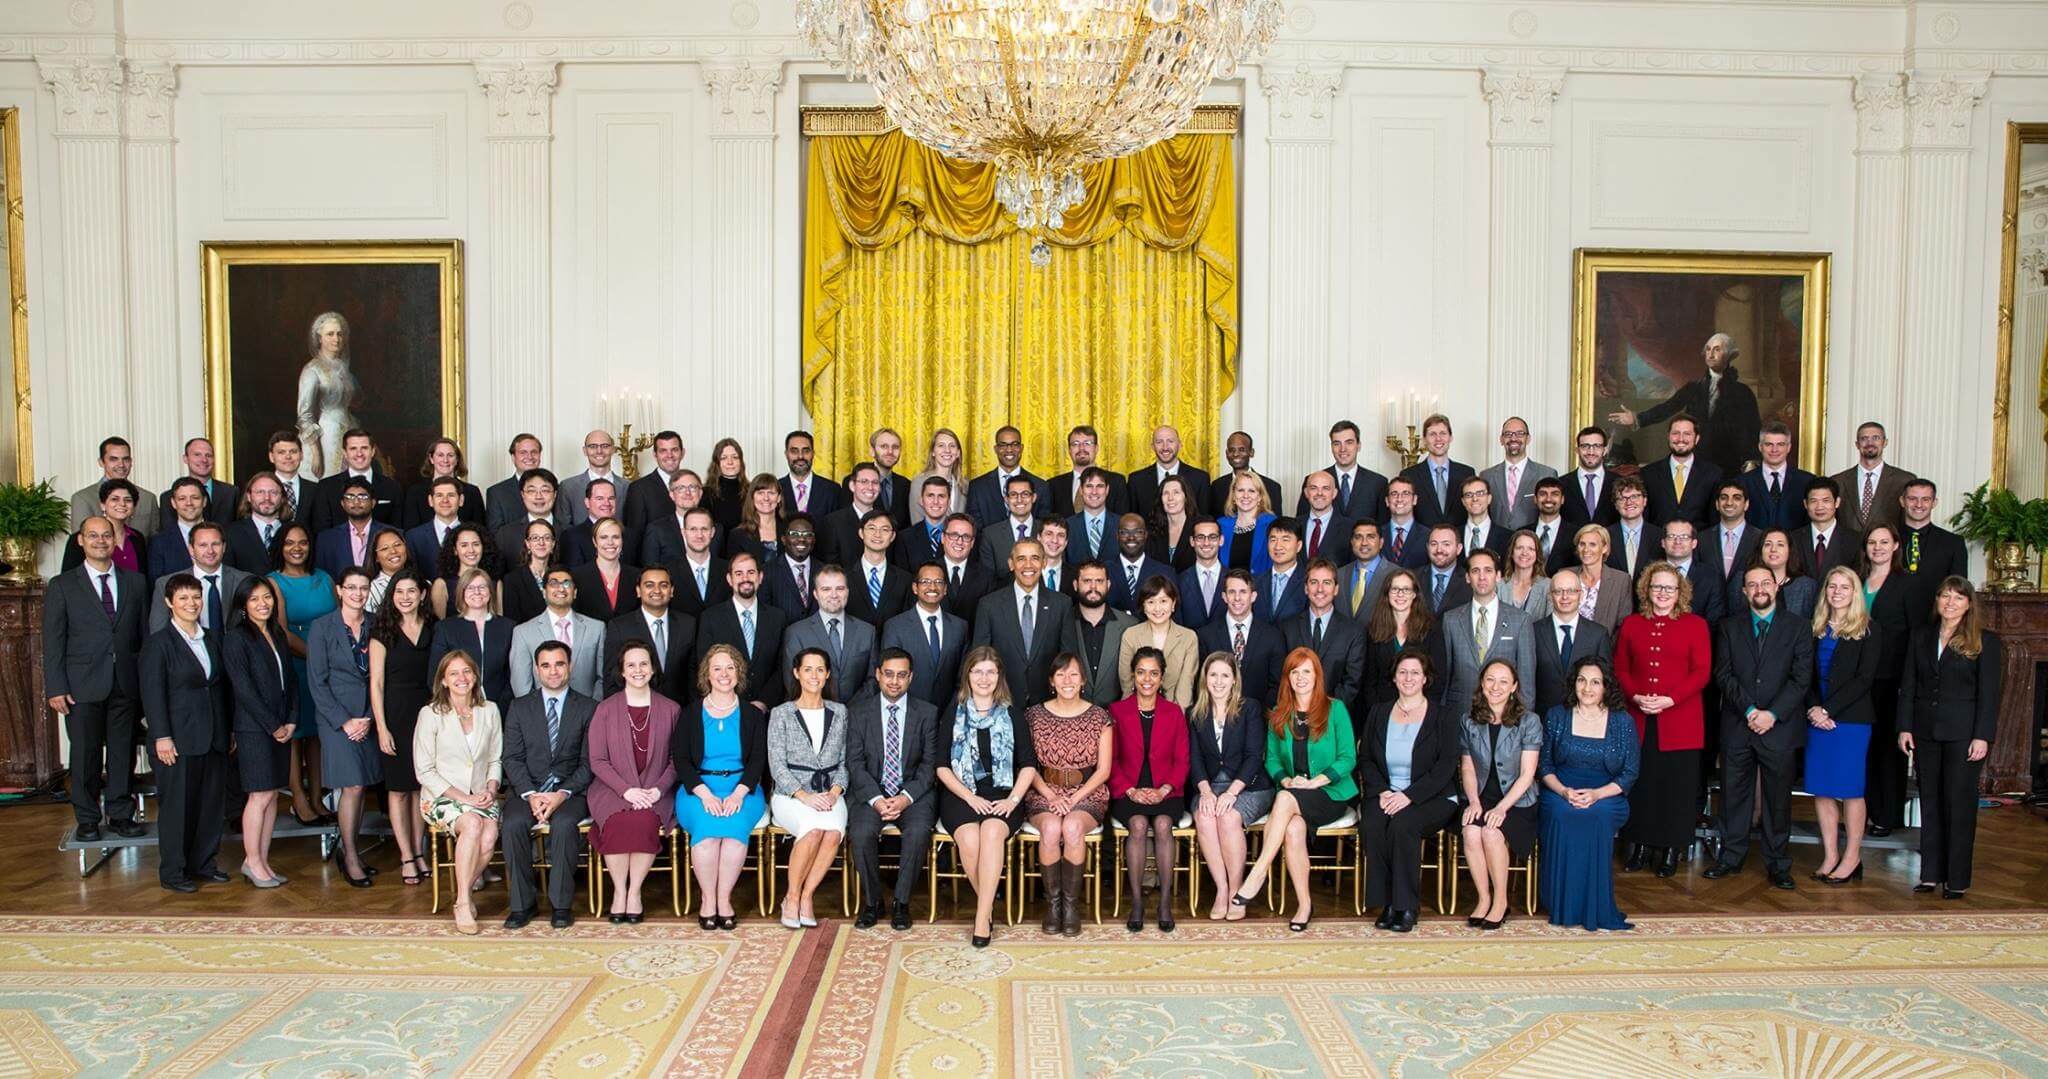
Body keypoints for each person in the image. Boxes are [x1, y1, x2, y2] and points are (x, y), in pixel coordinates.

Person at [1231, 648, 1358, 932]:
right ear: (1287, 677)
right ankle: (1304, 905)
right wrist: (1286, 780)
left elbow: (1348, 757)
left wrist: (1314, 782)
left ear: (1317, 676)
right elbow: (1272, 759)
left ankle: (1259, 871)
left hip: (1330, 794)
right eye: (1295, 672)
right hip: (1294, 794)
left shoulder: (1335, 708)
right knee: (1293, 829)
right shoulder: (1279, 714)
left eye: (1307, 671)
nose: (1301, 678)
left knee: (1285, 799)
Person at [1703, 568, 1814, 891]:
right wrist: (1751, 710)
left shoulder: (1798, 627)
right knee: (1734, 797)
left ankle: (1778, 863)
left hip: (1779, 728)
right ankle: (1731, 857)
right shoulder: (1728, 627)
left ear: (1777, 587)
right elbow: (1723, 674)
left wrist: (1773, 714)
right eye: (1752, 585)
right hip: (1739, 724)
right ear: (1744, 591)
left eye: (1765, 583)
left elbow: (1801, 678)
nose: (1759, 589)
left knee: (1778, 801)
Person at [43, 515, 148, 842]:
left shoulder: (136, 582)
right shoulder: (62, 585)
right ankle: (87, 818)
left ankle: (120, 814)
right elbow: (53, 640)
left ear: (114, 541)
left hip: (126, 682)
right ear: (81, 541)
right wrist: (56, 686)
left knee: (122, 753)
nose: (101, 541)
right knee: (85, 754)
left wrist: (145, 685)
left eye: (106, 536)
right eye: (93, 536)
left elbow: (143, 638)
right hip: (81, 684)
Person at [1899, 576, 2001, 899]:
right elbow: (1909, 686)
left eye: (1958, 598)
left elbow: (1989, 696)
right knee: (1929, 801)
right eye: (1945, 596)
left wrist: (1982, 736)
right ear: (1937, 601)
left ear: (1969, 604)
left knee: (1958, 803)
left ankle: (1956, 880)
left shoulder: (1985, 641)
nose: (1950, 603)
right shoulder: (1921, 637)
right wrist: (1905, 726)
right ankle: (1930, 874)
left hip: (1964, 735)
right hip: (1925, 731)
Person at [936, 646, 1041, 947]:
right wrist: (969, 797)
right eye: (978, 671)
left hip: (1004, 795)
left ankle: (982, 918)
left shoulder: (1011, 714)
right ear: (967, 675)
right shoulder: (953, 712)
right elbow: (942, 766)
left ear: (999, 677)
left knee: (992, 831)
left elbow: (1028, 764)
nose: (984, 678)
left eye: (990, 672)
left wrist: (1013, 800)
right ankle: (988, 906)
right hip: (962, 796)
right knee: (969, 840)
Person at [1612, 563, 1712, 877]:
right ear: (1647, 590)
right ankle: (1638, 846)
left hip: (1679, 720)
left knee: (1675, 789)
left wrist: (1671, 699)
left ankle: (1670, 850)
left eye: (1669, 588)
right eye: (1657, 587)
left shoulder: (1696, 625)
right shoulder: (1631, 624)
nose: (1662, 593)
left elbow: (1702, 672)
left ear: (1679, 592)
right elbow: (1620, 669)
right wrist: (1636, 696)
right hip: (1639, 719)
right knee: (1641, 786)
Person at [139, 572, 232, 893]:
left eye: (196, 597)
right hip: (176, 739)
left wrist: (228, 731)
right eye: (183, 598)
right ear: (169, 603)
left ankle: (203, 864)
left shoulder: (210, 638)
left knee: (209, 805)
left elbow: (219, 689)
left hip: (213, 737)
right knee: (177, 808)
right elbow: (152, 694)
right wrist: (161, 736)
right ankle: (174, 872)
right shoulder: (158, 644)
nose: (191, 603)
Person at [1358, 650, 1462, 933]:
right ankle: (1387, 903)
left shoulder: (1443, 716)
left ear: (1425, 678)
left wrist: (1409, 796)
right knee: (1372, 823)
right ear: (1393, 677)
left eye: (1415, 673)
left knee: (1403, 825)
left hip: (1432, 796)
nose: (1408, 678)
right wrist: (1380, 791)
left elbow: (1446, 766)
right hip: (1387, 793)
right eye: (1402, 672)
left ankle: (1406, 906)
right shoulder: (1379, 712)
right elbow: (1365, 758)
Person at [1537, 655, 1640, 931]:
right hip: (1560, 791)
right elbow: (1544, 765)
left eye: (1596, 682)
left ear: (1606, 686)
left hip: (1606, 795)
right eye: (1582, 680)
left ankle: (1595, 906)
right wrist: (1563, 791)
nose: (1588, 688)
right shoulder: (1557, 715)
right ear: (1574, 684)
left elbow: (1629, 773)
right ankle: (1562, 905)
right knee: (1562, 814)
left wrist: (1596, 795)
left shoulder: (1622, 721)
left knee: (1596, 816)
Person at [500, 640, 596, 930]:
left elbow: (589, 762)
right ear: (536, 669)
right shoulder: (519, 707)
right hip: (527, 789)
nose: (553, 671)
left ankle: (561, 905)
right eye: (546, 665)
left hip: (571, 792)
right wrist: (531, 795)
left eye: (559, 664)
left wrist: (561, 794)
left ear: (571, 667)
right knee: (513, 823)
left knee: (565, 825)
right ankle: (522, 904)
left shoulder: (589, 707)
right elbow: (512, 758)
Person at [673, 645, 769, 930]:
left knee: (733, 833)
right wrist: (704, 794)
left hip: (743, 788)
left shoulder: (751, 715)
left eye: (730, 667)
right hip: (698, 789)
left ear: (738, 673)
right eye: (717, 668)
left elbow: (758, 760)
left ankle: (724, 900)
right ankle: (707, 900)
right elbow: (681, 759)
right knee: (707, 834)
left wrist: (739, 793)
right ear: (707, 674)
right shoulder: (690, 714)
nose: (724, 674)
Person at [846, 649, 941, 931]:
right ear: (878, 675)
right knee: (860, 833)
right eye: (889, 674)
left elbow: (929, 765)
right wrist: (876, 799)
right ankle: (873, 902)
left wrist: (904, 798)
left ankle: (901, 903)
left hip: (913, 794)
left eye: (901, 675)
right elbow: (855, 762)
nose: (895, 681)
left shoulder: (927, 712)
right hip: (871, 793)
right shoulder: (858, 712)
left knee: (918, 831)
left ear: (911, 678)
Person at [1019, 652, 1112, 935]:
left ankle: (1071, 906)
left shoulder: (1100, 717)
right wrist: (1051, 796)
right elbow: (1027, 765)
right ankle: (1053, 905)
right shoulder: (1033, 715)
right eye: (1060, 674)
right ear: (1051, 681)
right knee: (1050, 828)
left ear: (1083, 680)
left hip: (1087, 792)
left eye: (1073, 674)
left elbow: (1104, 770)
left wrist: (1074, 798)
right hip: (1043, 790)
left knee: (1071, 827)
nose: (1067, 680)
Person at [588, 640, 680, 924]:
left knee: (644, 822)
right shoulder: (605, 709)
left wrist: (656, 790)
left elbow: (676, 761)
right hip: (613, 790)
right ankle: (619, 891)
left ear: (653, 669)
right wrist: (626, 790)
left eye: (644, 664)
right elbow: (598, 760)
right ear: (622, 671)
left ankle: (635, 892)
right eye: (631, 665)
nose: (638, 670)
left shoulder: (671, 709)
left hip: (656, 790)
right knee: (618, 822)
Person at [412, 650, 503, 934]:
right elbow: (424, 771)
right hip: (441, 798)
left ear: (475, 676)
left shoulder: (490, 710)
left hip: (481, 794)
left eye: (466, 672)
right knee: (473, 824)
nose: (461, 678)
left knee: (490, 835)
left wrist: (491, 787)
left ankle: (464, 891)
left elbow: (495, 760)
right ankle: (463, 901)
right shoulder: (430, 715)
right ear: (443, 681)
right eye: (454, 673)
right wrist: (464, 799)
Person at [1805, 566, 1881, 885]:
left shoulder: (1868, 629)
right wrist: (1813, 708)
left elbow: (1864, 680)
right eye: (1832, 586)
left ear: (1855, 593)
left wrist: (1827, 709)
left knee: (1850, 791)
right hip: (1817, 720)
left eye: (1844, 587)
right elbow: (1804, 674)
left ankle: (1852, 856)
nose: (1837, 591)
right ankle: (1831, 854)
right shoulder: (1815, 627)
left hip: (1850, 721)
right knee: (1822, 791)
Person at [308, 567, 382, 886]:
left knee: (361, 784)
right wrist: (345, 721)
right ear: (339, 590)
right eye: (351, 587)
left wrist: (368, 717)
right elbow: (317, 682)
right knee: (350, 785)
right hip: (336, 720)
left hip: (369, 715)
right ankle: (349, 855)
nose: (358, 593)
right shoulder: (322, 627)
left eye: (363, 588)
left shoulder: (376, 624)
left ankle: (352, 851)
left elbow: (379, 677)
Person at [1110, 647, 1191, 933]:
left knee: (1163, 823)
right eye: (1141, 672)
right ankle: (1136, 902)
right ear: (1133, 675)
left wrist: (1165, 789)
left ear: (1161, 677)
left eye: (1154, 673)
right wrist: (1130, 790)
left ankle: (1165, 902)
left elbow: (1183, 760)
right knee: (1138, 823)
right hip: (1128, 791)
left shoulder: (1174, 713)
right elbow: (1112, 760)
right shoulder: (1116, 711)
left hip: (1167, 791)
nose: (1147, 679)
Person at [768, 649, 849, 929]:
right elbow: (776, 765)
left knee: (833, 832)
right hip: (791, 796)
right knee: (814, 830)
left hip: (830, 793)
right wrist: (805, 797)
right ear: (796, 673)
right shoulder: (781, 713)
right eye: (807, 669)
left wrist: (835, 792)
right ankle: (790, 897)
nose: (813, 676)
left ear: (827, 674)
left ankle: (806, 896)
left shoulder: (840, 712)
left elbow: (845, 761)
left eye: (819, 670)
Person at [1606, 331, 1762, 478]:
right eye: (1708, 350)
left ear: (1728, 355)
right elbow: (1668, 407)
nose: (1711, 354)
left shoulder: (1743, 393)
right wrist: (1637, 418)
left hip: (1729, 465)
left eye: (1717, 350)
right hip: (1698, 464)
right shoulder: (1694, 388)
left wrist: (1751, 460)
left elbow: (1751, 429)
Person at [1188, 652, 1272, 921]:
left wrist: (1231, 792)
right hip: (1209, 785)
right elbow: (1195, 758)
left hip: (1250, 785)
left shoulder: (1250, 708)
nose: (1219, 681)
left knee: (1227, 818)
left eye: (1225, 675)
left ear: (1235, 680)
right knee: (1204, 816)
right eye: (1213, 675)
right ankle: (1221, 890)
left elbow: (1253, 755)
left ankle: (1238, 892)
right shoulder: (1195, 712)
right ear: (1205, 679)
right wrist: (1206, 791)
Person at [1459, 658, 1541, 929]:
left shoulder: (1529, 721)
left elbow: (1527, 774)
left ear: (1514, 687)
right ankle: (1483, 899)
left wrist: (1501, 808)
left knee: (1492, 833)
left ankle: (1501, 901)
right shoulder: (1469, 721)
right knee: (1471, 831)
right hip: (1482, 796)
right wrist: (1473, 801)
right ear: (1481, 684)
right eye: (1490, 680)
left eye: (1504, 681)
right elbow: (1468, 766)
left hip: (1517, 801)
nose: (1496, 687)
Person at [224, 577, 296, 887]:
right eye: (254, 600)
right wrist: (273, 725)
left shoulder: (276, 633)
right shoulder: (236, 638)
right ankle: (252, 862)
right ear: (243, 606)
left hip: (281, 726)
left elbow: (290, 680)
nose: (262, 604)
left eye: (267, 598)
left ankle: (261, 860)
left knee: (272, 795)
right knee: (260, 794)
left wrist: (291, 719)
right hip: (255, 729)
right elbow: (243, 690)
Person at [367, 570, 435, 885]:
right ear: (391, 598)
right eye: (399, 592)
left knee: (422, 787)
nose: (405, 597)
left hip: (428, 715)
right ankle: (406, 855)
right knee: (398, 790)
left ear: (422, 595)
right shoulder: (382, 632)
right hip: (394, 714)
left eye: (411, 591)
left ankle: (420, 851)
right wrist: (381, 727)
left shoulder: (433, 628)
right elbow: (376, 683)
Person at [268, 522, 334, 826]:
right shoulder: (273, 582)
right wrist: (316, 657)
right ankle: (298, 798)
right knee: (295, 734)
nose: (297, 548)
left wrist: (328, 659)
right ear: (280, 547)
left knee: (318, 734)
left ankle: (318, 796)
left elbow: (337, 621)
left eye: (303, 542)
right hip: (294, 664)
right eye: (290, 543)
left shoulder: (324, 578)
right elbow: (280, 632)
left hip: (327, 665)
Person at [970, 538, 1077, 710]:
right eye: (1021, 559)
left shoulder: (1061, 604)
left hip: (1049, 703)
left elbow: (1068, 656)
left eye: (1035, 558)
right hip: (1001, 702)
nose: (1028, 565)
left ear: (1043, 563)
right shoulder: (989, 605)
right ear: (1011, 564)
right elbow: (979, 658)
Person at [1436, 548, 1536, 712]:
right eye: (1475, 571)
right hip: (1460, 711)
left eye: (1488, 570)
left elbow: (1526, 679)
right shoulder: (1451, 619)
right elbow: (1445, 675)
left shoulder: (1520, 620)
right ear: (1468, 577)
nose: (1482, 577)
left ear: (1498, 576)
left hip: (1504, 714)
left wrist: (1524, 720)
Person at [1860, 525, 1912, 836]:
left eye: (1884, 542)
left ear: (1895, 546)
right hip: (1860, 678)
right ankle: (1865, 811)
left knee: (1887, 751)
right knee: (1864, 749)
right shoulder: (1858, 580)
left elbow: (1915, 635)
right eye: (1872, 542)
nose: (1877, 547)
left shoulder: (1908, 584)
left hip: (1891, 678)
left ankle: (1887, 815)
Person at [692, 551, 787, 707]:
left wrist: (764, 702)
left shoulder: (777, 618)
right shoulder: (710, 618)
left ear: (760, 577)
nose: (745, 579)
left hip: (768, 710)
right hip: (725, 708)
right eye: (739, 573)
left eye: (751, 572)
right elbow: (705, 665)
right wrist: (731, 702)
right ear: (730, 579)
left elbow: (781, 666)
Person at [1281, 559, 1368, 713]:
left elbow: (1351, 682)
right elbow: (1282, 677)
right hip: (1294, 715)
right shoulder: (1287, 628)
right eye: (1314, 582)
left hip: (1334, 718)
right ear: (1306, 588)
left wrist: (1323, 712)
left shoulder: (1354, 632)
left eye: (1327, 583)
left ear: (1336, 589)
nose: (1320, 589)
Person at [780, 567, 875, 703]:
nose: (834, 595)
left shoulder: (867, 631)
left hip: (857, 717)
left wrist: (851, 711)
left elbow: (872, 680)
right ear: (815, 594)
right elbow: (792, 682)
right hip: (813, 716)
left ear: (847, 592)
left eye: (840, 588)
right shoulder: (796, 633)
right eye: (826, 589)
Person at [509, 567, 607, 699]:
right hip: (541, 715)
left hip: (588, 713)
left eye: (567, 584)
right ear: (544, 592)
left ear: (575, 592)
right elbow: (521, 684)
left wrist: (593, 709)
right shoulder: (523, 632)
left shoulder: (596, 628)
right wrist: (535, 714)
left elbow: (603, 677)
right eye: (554, 583)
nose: (561, 589)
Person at [1195, 569, 1287, 708]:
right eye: (1232, 592)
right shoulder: (1205, 635)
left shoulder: (1273, 636)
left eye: (1243, 592)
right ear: (1224, 597)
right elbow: (1200, 683)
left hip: (1259, 719)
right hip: (1216, 718)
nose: (1237, 598)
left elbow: (1277, 685)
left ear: (1253, 596)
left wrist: (1257, 716)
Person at [881, 562, 968, 707]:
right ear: (915, 588)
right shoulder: (895, 626)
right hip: (909, 713)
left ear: (945, 589)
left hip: (949, 713)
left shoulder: (960, 627)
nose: (932, 587)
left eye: (938, 582)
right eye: (925, 582)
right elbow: (890, 676)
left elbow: (963, 676)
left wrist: (952, 709)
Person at [605, 566, 695, 700]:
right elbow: (611, 679)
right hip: (636, 711)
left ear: (671, 591)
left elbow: (694, 673)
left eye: (663, 585)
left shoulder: (688, 624)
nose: (657, 590)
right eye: (649, 585)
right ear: (638, 591)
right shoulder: (619, 627)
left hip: (681, 711)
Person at [430, 567, 516, 706]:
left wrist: (504, 701)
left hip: (501, 707)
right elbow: (436, 675)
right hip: (457, 707)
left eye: (482, 587)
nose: (477, 592)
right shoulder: (445, 628)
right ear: (462, 593)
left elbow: (513, 672)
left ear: (490, 591)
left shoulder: (508, 627)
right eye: (470, 588)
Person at [294, 312, 361, 479]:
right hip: (325, 438)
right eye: (330, 334)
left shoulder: (344, 369)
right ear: (319, 338)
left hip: (349, 430)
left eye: (339, 334)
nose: (336, 339)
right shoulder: (312, 370)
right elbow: (304, 415)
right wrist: (316, 451)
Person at [1364, 568, 1443, 709]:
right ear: (1387, 594)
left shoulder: (1431, 629)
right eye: (1395, 589)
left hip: (1420, 709)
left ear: (1414, 594)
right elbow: (1369, 680)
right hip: (1382, 708)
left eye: (1406, 589)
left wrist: (1426, 711)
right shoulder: (1373, 630)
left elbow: (1437, 678)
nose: (1400, 594)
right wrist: (1376, 712)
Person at [1897, 479, 1968, 633]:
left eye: (1925, 499)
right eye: (1912, 499)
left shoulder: (1953, 543)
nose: (1919, 505)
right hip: (1892, 623)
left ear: (1934, 502)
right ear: (1902, 501)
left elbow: (1959, 588)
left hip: (1934, 624)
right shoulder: (1886, 539)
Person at [1118, 576, 1200, 707]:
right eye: (1151, 602)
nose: (1157, 608)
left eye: (1163, 601)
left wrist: (1176, 717)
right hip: (1137, 708)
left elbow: (1186, 685)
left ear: (1173, 604)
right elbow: (1127, 682)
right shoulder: (1130, 635)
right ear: (1143, 606)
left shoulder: (1188, 637)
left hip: (1174, 709)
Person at [1831, 421, 1916, 536]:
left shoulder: (1904, 480)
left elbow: (1909, 522)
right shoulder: (1837, 481)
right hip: (1847, 551)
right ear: (1857, 444)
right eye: (1864, 438)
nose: (1869, 443)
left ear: (1885, 442)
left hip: (1888, 551)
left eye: (1876, 438)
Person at [307, 429, 402, 533]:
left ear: (373, 451)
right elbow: (322, 531)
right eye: (353, 448)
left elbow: (397, 529)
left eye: (364, 448)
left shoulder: (392, 487)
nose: (359, 454)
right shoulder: (326, 487)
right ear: (345, 453)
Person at [1639, 415, 1722, 529]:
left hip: (1699, 544)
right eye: (1675, 433)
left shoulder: (1713, 474)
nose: (1680, 439)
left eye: (1687, 434)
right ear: (1668, 437)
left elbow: (1715, 519)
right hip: (1658, 543)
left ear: (1696, 439)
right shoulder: (1648, 473)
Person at [1398, 414, 1476, 531]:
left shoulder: (1466, 473)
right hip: (1422, 543)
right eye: (1432, 434)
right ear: (1424, 440)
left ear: (1450, 437)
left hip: (1458, 543)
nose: (1438, 439)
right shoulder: (1409, 475)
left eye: (1443, 433)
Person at [313, 476, 399, 581]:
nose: (356, 502)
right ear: (343, 504)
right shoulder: (326, 539)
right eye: (350, 497)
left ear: (373, 502)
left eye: (362, 497)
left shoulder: (393, 534)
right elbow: (321, 578)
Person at [69, 436, 160, 535]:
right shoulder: (83, 498)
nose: (121, 464)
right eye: (113, 459)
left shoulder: (148, 498)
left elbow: (155, 542)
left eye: (126, 459)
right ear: (101, 462)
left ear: (131, 462)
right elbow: (80, 542)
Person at [1301, 420, 1388, 523]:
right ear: (1331, 447)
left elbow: (1383, 525)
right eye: (1337, 444)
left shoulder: (1378, 483)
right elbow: (1302, 523)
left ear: (1358, 445)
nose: (1343, 449)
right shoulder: (1312, 480)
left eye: (1349, 442)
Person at [1480, 417, 1556, 531]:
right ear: (1501, 439)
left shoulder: (1546, 474)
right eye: (1508, 434)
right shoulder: (1486, 476)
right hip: (1496, 544)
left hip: (1532, 544)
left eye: (1520, 433)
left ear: (1528, 438)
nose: (1513, 438)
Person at [60, 479, 149, 574]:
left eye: (128, 500)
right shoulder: (82, 538)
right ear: (103, 505)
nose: (122, 504)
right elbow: (68, 580)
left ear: (134, 506)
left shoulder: (137, 538)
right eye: (115, 499)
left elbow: (143, 577)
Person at [965, 425, 1048, 527]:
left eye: (1015, 444)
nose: (1009, 449)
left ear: (1021, 448)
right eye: (1003, 445)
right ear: (996, 449)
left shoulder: (1041, 486)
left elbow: (1043, 528)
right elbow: (974, 528)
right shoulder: (977, 486)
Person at [1738, 423, 1815, 531]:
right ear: (1760, 447)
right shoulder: (1743, 482)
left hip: (1796, 546)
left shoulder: (1807, 481)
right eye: (1769, 444)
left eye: (1780, 444)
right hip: (1753, 546)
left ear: (1789, 447)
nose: (1774, 450)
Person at [1128, 424, 1211, 518]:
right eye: (1159, 442)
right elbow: (1133, 520)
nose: (1165, 447)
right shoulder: (1136, 480)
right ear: (1152, 446)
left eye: (1170, 441)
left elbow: (1204, 519)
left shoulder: (1200, 479)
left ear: (1180, 445)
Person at [486, 434, 566, 532]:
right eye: (523, 452)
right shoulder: (496, 492)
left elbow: (563, 525)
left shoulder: (558, 489)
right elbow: (495, 534)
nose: (529, 457)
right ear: (513, 457)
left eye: (534, 452)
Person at [1733, 528, 1817, 620]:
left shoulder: (1806, 586)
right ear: (1760, 550)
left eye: (1780, 545)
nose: (1773, 549)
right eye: (1767, 544)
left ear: (1789, 550)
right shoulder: (1741, 579)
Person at [1050, 425, 1130, 518]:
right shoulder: (1053, 485)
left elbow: (1122, 521)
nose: (1081, 448)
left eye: (1087, 443)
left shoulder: (1116, 481)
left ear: (1096, 448)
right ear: (1069, 450)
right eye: (1075, 444)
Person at [571, 518, 643, 621]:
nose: (610, 542)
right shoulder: (577, 576)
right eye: (604, 537)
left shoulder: (637, 576)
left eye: (616, 537)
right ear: (594, 541)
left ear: (622, 541)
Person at [428, 523, 501, 619]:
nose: (471, 550)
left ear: (483, 547)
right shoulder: (442, 584)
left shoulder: (495, 583)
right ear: (455, 550)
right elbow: (438, 626)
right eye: (464, 545)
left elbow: (500, 623)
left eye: (476, 544)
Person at [1569, 525, 1634, 628]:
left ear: (1604, 548)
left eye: (1592, 545)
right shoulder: (1565, 575)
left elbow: (1623, 625)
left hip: (1606, 642)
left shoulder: (1621, 581)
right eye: (1582, 544)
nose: (1586, 549)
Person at [625, 430, 688, 533]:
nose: (669, 455)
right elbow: (634, 534)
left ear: (682, 453)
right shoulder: (639, 489)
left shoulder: (693, 486)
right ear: (655, 455)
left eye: (674, 450)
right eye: (663, 451)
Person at [559, 429, 624, 528]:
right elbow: (563, 527)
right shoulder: (568, 487)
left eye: (605, 446)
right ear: (585, 451)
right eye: (593, 446)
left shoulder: (629, 487)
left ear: (613, 450)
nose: (599, 451)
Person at [175, 438, 248, 524]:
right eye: (197, 454)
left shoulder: (231, 493)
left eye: (208, 455)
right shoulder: (167, 497)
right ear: (185, 459)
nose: (204, 460)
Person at [779, 429, 846, 519]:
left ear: (813, 454)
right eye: (794, 451)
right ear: (786, 454)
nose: (800, 456)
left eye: (806, 451)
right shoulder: (776, 489)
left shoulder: (832, 490)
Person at [1217, 430, 1286, 516]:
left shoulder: (1271, 487)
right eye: (1232, 450)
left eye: (1241, 450)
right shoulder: (1217, 486)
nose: (1235, 454)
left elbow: (1276, 525)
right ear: (1227, 454)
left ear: (1251, 452)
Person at [502, 519, 558, 626]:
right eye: (535, 538)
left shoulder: (562, 576)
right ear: (528, 544)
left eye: (547, 538)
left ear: (553, 544)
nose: (541, 542)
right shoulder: (512, 580)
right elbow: (512, 622)